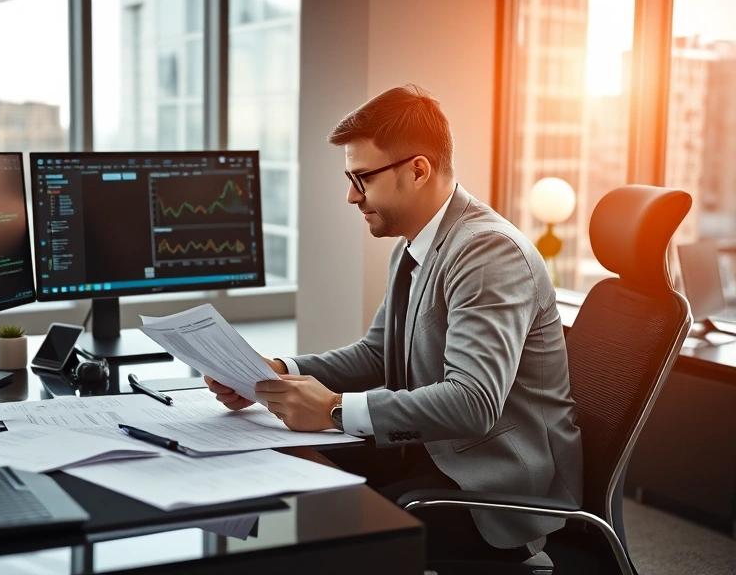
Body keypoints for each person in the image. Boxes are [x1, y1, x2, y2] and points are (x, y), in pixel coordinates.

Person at [206, 84, 583, 562]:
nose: (350, 196)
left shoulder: (489, 251)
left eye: (362, 178)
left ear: (418, 170)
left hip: (491, 482)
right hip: (431, 451)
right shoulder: (414, 245)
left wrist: (336, 410)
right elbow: (376, 355)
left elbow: (474, 401)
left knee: (313, 526)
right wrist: (277, 369)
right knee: (271, 462)